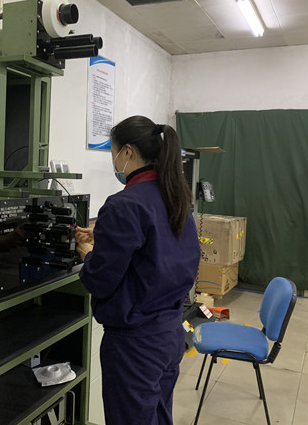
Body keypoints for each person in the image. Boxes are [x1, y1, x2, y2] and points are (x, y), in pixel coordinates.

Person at [75, 115, 200, 425]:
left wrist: (89, 255)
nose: (114, 161)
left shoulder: (124, 204)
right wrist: (106, 237)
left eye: (113, 152)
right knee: (158, 416)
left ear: (128, 152)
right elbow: (160, 253)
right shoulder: (176, 198)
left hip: (135, 345)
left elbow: (100, 280)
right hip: (170, 334)